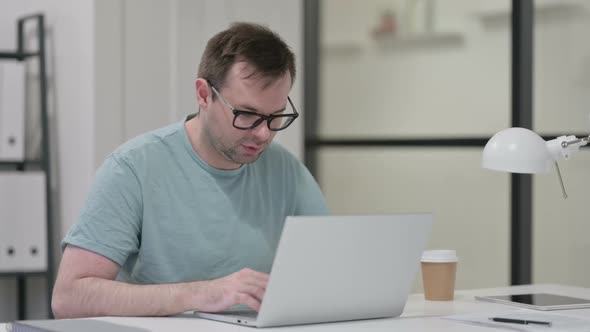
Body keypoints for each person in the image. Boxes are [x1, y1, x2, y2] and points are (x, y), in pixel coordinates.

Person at [51, 22, 329, 319]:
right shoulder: (133, 168)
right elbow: (69, 298)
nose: (263, 134)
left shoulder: (287, 171)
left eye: (275, 117)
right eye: (247, 114)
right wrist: (202, 294)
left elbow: (332, 272)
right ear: (203, 94)